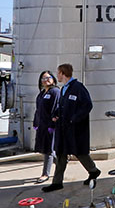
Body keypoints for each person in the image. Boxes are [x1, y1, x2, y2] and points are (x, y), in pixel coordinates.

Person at [42, 63, 101, 192]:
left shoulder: (78, 88)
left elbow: (87, 105)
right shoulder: (64, 89)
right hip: (63, 128)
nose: (57, 75)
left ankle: (93, 170)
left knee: (80, 152)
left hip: (76, 129)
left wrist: (75, 118)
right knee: (61, 153)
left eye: (58, 73)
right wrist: (56, 114)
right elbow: (61, 105)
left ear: (63, 73)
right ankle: (57, 182)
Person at [33, 70, 60, 183]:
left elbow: (56, 108)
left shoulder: (55, 92)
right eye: (43, 78)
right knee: (46, 149)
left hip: (50, 126)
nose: (46, 80)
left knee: (48, 150)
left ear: (53, 79)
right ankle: (61, 163)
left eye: (48, 77)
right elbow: (38, 110)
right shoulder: (41, 93)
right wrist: (36, 123)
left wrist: (52, 125)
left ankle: (45, 174)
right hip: (42, 125)